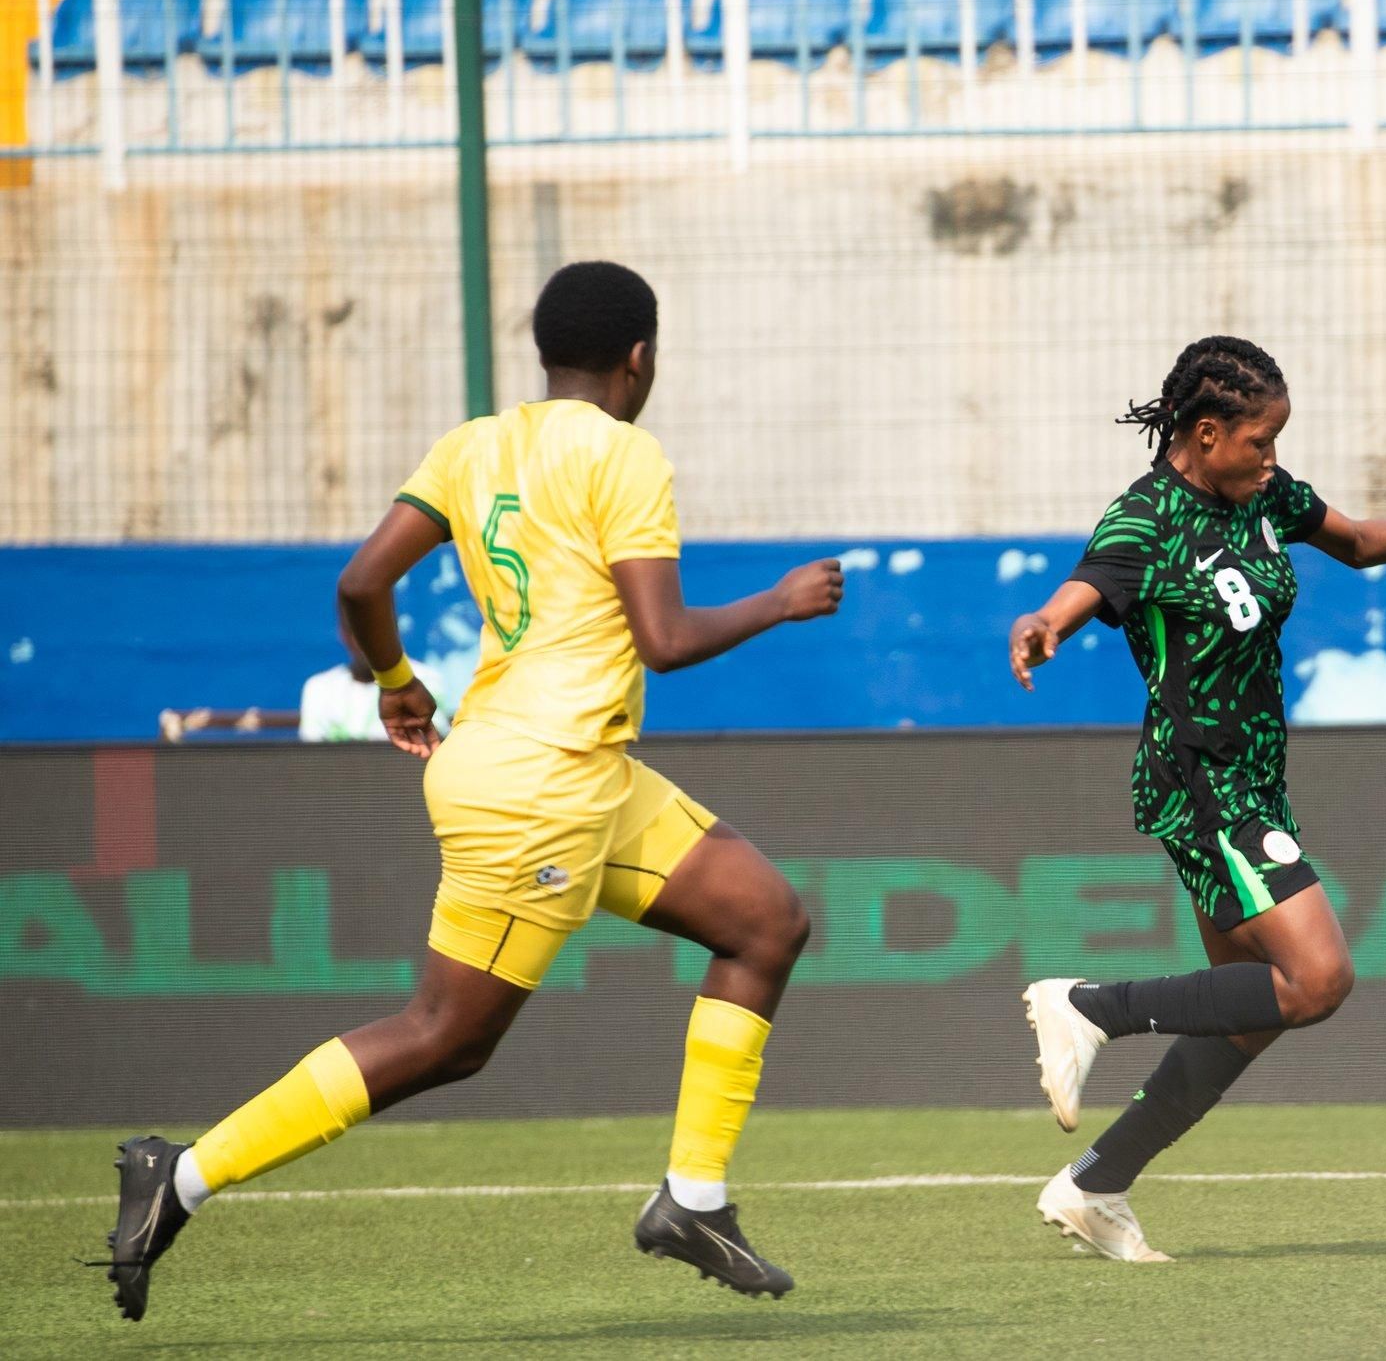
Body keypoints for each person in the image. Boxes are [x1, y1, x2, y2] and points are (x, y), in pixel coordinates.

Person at [100, 261, 844, 1320]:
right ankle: (177, 1179)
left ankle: (692, 1197)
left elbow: (360, 585)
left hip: (564, 765)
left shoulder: (473, 445)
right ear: (640, 358)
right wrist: (779, 600)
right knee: (446, 1036)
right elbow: (665, 641)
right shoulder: (625, 456)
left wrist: (396, 685)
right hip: (543, 787)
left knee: (765, 919)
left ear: (547, 354)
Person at [1008, 335, 1386, 1263]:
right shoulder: (1145, 522)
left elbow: (1355, 544)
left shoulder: (1259, 494)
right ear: (1204, 433)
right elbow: (1084, 588)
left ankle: (1096, 1186)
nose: (1272, 459)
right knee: (1319, 981)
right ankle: (1087, 1005)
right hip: (1203, 784)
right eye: (1259, 441)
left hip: (1255, 779)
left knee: (1247, 1015)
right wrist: (1043, 626)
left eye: (1277, 442)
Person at [298, 600, 455, 742]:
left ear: (394, 627)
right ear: (342, 633)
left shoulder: (426, 680)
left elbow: (435, 745)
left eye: (375, 627)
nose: (366, 639)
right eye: (355, 629)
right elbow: (311, 761)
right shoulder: (319, 688)